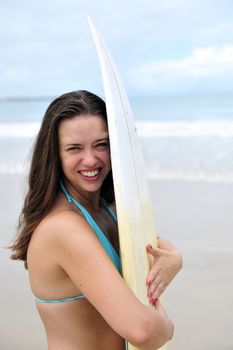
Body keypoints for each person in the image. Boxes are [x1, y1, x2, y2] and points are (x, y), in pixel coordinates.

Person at [10, 90, 182, 350]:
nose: (90, 159)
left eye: (101, 144)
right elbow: (143, 331)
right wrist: (166, 328)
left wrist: (174, 258)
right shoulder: (63, 228)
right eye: (74, 148)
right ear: (55, 155)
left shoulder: (103, 209)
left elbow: (146, 244)